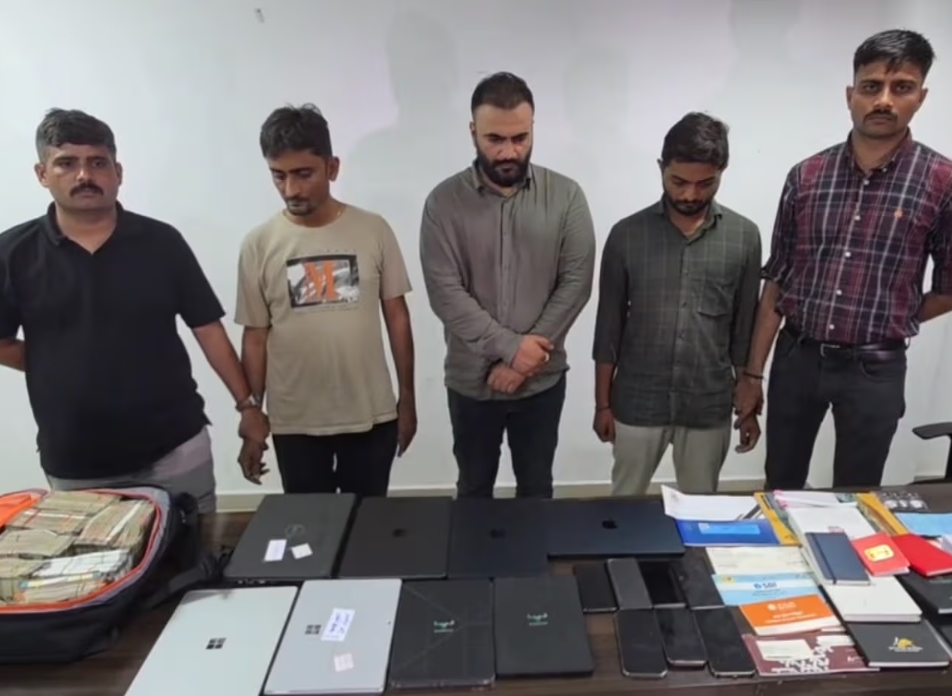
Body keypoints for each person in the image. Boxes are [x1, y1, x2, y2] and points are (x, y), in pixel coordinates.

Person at [0, 108, 269, 513]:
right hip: (76, 464)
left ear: (118, 172)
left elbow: (208, 329)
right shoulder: (13, 253)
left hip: (175, 450)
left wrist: (248, 407)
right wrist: (57, 362)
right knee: (93, 557)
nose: (84, 175)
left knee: (192, 550)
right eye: (67, 163)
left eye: (97, 163)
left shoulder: (161, 242)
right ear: (42, 174)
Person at [735, 29, 952, 489]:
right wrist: (752, 375)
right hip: (797, 357)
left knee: (858, 490)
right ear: (850, 94)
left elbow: (950, 289)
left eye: (902, 87)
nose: (884, 100)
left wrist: (895, 316)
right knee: (781, 483)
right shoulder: (807, 176)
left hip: (875, 369)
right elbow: (777, 282)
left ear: (921, 97)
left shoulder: (941, 182)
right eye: (872, 86)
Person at [420, 72, 596, 499]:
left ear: (533, 128)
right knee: (473, 488)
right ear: (473, 132)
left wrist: (523, 363)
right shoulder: (443, 203)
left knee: (536, 489)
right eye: (494, 139)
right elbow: (445, 293)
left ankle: (532, 552)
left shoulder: (567, 197)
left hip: (541, 383)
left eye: (520, 138)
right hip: (470, 382)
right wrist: (513, 349)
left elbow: (576, 283)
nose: (508, 151)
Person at [235, 104, 416, 497]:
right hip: (295, 422)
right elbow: (255, 337)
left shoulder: (373, 230)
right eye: (278, 175)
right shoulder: (258, 244)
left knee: (367, 524)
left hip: (370, 414)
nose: (291, 189)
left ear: (332, 168)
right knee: (309, 527)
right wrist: (252, 415)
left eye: (304, 174)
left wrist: (407, 398)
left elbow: (397, 318)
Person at [592, 113, 762, 495]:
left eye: (705, 184)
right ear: (661, 169)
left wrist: (749, 405)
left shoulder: (744, 237)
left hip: (708, 403)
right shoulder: (626, 236)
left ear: (722, 172)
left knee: (702, 509)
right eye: (678, 182)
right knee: (624, 506)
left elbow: (743, 331)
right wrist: (602, 405)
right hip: (637, 400)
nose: (690, 195)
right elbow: (608, 329)